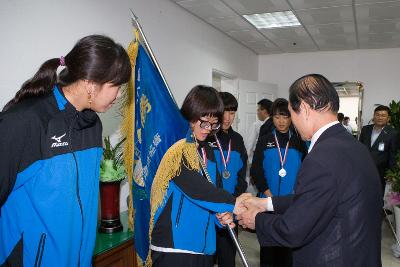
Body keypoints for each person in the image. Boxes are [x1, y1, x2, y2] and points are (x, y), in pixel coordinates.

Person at [0, 35, 131, 266]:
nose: (119, 95)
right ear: (90, 83)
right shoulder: (26, 122)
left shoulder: (92, 125)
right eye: (116, 85)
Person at [237, 74, 382, 266]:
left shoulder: (321, 157)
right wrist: (266, 204)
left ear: (304, 109)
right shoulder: (353, 146)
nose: (291, 123)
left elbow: (293, 230)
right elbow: (319, 198)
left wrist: (256, 219)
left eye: (291, 113)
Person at [148, 85, 248, 267]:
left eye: (214, 124)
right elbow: (198, 190)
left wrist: (222, 217)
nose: (208, 129)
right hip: (175, 247)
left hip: (204, 247)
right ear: (192, 116)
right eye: (204, 122)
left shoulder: (208, 150)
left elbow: (214, 190)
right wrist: (236, 204)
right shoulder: (177, 149)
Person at [251, 98, 306, 267]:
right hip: (266, 201)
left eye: (285, 117)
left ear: (291, 118)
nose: (281, 121)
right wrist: (268, 194)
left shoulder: (299, 142)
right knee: (268, 249)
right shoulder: (264, 140)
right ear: (272, 118)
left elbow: (305, 173)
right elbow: (256, 170)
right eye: (277, 117)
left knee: (287, 250)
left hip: (290, 204)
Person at [212, 92, 247, 267]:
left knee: (227, 259)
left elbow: (242, 175)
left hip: (230, 209)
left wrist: (233, 200)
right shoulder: (206, 137)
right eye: (224, 112)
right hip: (209, 211)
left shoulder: (238, 140)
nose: (228, 117)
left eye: (232, 113)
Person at [359, 105, 399, 195]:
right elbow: (359, 148)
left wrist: (391, 173)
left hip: (380, 173)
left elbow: (393, 154)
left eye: (383, 115)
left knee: (377, 195)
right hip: (363, 169)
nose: (380, 117)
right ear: (373, 116)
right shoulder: (366, 129)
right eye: (377, 114)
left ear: (388, 118)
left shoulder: (393, 133)